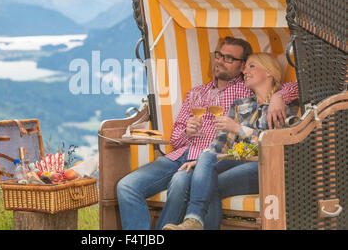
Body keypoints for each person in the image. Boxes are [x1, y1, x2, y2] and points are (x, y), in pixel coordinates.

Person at [116, 37, 299, 230]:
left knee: (183, 182)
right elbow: (177, 139)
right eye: (219, 55)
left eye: (229, 58)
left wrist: (279, 96)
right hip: (185, 156)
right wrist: (188, 131)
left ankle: (182, 225)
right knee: (126, 186)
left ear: (241, 65)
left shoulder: (245, 89)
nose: (220, 61)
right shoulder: (198, 93)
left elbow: (290, 88)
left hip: (220, 161)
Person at [162, 52, 298, 230]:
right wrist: (201, 161)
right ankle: (193, 221)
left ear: (269, 72)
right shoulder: (239, 105)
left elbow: (273, 144)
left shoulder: (283, 107)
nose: (245, 72)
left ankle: (193, 220)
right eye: (245, 67)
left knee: (209, 186)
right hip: (239, 161)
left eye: (251, 66)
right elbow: (221, 141)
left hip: (267, 167)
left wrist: (238, 128)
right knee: (206, 159)